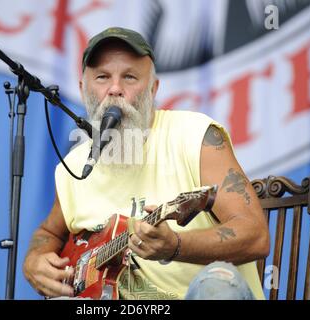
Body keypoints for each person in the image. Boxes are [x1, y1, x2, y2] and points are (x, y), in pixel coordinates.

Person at [23, 27, 270, 300]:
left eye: (129, 77)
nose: (115, 89)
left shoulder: (197, 136)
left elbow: (255, 235)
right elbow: (48, 232)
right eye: (102, 77)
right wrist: (35, 259)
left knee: (219, 286)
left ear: (153, 88)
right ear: (83, 90)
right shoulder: (76, 166)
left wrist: (176, 245)